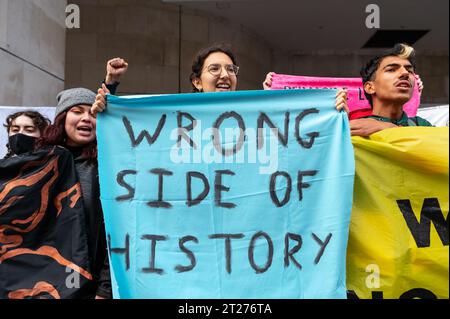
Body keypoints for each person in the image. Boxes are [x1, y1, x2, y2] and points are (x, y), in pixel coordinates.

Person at [92, 44, 348, 113]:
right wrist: (111, 89)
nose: (225, 75)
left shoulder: (254, 114)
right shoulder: (174, 114)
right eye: (214, 69)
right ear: (197, 82)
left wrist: (274, 102)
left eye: (230, 69)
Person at [38, 88, 111, 299]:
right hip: (41, 284)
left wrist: (105, 289)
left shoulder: (106, 166)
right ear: (62, 118)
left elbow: (115, 231)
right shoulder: (38, 163)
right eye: (78, 111)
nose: (87, 118)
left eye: (94, 114)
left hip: (91, 285)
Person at [349, 43, 433, 136]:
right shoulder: (353, 128)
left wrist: (388, 127)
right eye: (391, 69)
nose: (405, 73)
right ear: (370, 87)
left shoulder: (421, 125)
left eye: (410, 71)